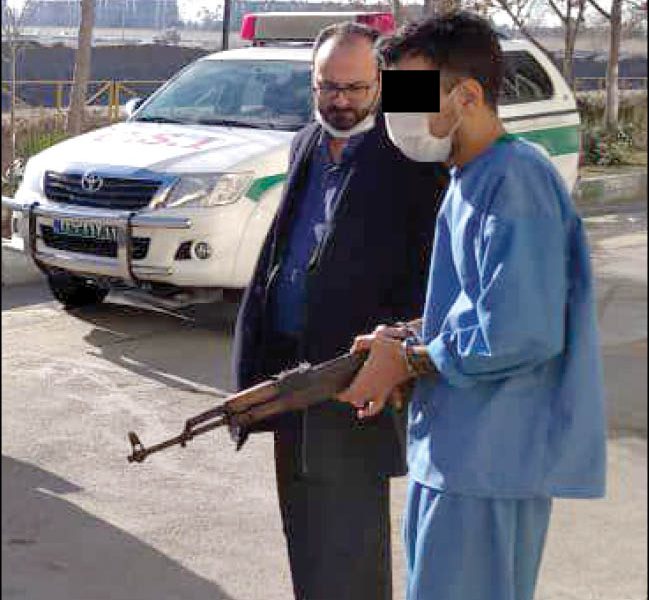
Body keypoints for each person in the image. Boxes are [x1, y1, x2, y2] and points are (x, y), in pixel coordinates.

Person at [338, 12, 607, 600]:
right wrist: (403, 337)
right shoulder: (469, 178)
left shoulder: (515, 180)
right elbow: (474, 304)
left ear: (468, 96)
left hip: (488, 463)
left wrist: (410, 360)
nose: (397, 116)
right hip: (455, 457)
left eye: (412, 98)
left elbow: (518, 330)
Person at [231, 21, 448, 600]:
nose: (341, 101)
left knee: (348, 546)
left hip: (355, 377)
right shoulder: (306, 141)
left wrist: (400, 351)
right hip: (292, 371)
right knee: (304, 533)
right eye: (328, 86)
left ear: (383, 84)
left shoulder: (408, 151)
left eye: (356, 88)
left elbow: (433, 266)